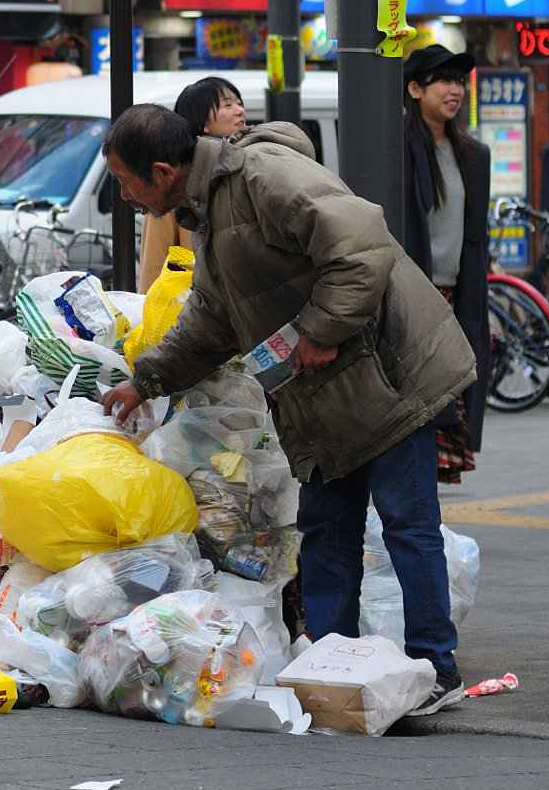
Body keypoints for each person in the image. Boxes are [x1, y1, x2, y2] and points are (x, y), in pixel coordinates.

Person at [99, 104, 476, 716]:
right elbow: (213, 316)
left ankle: (438, 665)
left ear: (164, 170)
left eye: (126, 181)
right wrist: (146, 380)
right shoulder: (210, 207)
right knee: (326, 529)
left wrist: (324, 329)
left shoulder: (263, 176)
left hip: (388, 375)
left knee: (407, 524)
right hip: (326, 396)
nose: (124, 195)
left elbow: (362, 244)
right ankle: (331, 661)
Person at [400, 46, 492, 485]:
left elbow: (474, 236)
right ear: (415, 89)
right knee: (428, 399)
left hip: (459, 294)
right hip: (415, 295)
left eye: (459, 81)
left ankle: (426, 501)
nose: (455, 90)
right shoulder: (395, 146)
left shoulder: (473, 154)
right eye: (444, 81)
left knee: (452, 391)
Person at [142, 77, 247, 293]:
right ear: (201, 124)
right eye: (228, 105)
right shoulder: (173, 180)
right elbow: (155, 261)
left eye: (239, 103)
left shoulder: (250, 164)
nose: (239, 111)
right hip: (194, 310)